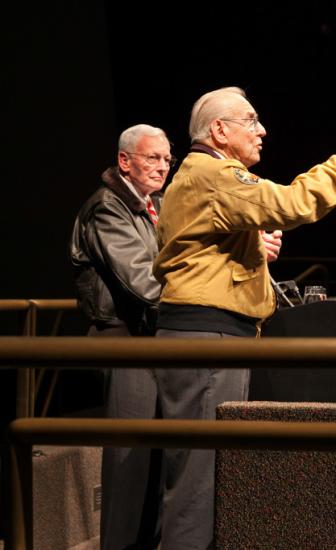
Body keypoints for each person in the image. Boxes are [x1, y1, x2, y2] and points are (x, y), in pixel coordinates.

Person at [151, 87, 336, 548]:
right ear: (220, 131)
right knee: (197, 485)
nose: (262, 130)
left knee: (203, 475)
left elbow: (193, 246)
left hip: (214, 334)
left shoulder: (202, 176)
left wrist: (250, 250)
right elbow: (293, 203)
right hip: (208, 337)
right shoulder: (215, 173)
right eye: (251, 120)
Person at [71, 124, 173, 550]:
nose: (162, 167)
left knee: (159, 462)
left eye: (168, 159)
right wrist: (192, 303)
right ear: (125, 161)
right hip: (124, 339)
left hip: (155, 338)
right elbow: (140, 283)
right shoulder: (107, 208)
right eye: (153, 158)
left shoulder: (156, 206)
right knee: (129, 462)